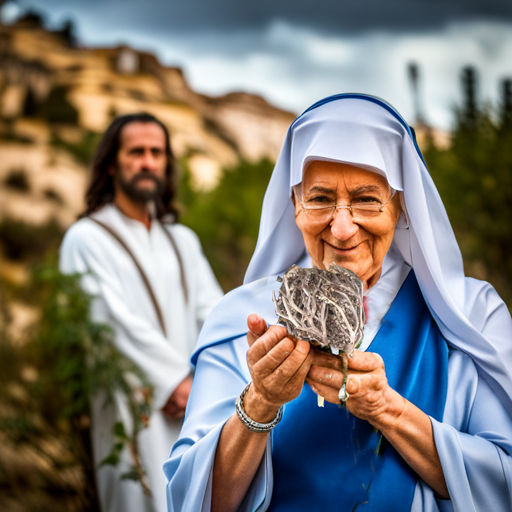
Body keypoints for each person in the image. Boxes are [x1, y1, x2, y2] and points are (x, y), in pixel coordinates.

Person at [163, 94, 512, 512]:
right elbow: (191, 501)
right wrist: (260, 399)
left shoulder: (471, 316)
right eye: (320, 198)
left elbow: (504, 484)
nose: (343, 229)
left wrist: (389, 410)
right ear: (294, 204)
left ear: (401, 205)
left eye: (366, 198)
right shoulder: (241, 318)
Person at [59, 113, 223, 512]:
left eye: (157, 152)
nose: (148, 162)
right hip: (133, 407)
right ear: (112, 163)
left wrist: (209, 384)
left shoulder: (182, 239)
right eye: (137, 152)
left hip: (197, 405)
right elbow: (110, 323)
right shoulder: (87, 238)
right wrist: (175, 383)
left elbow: (215, 315)